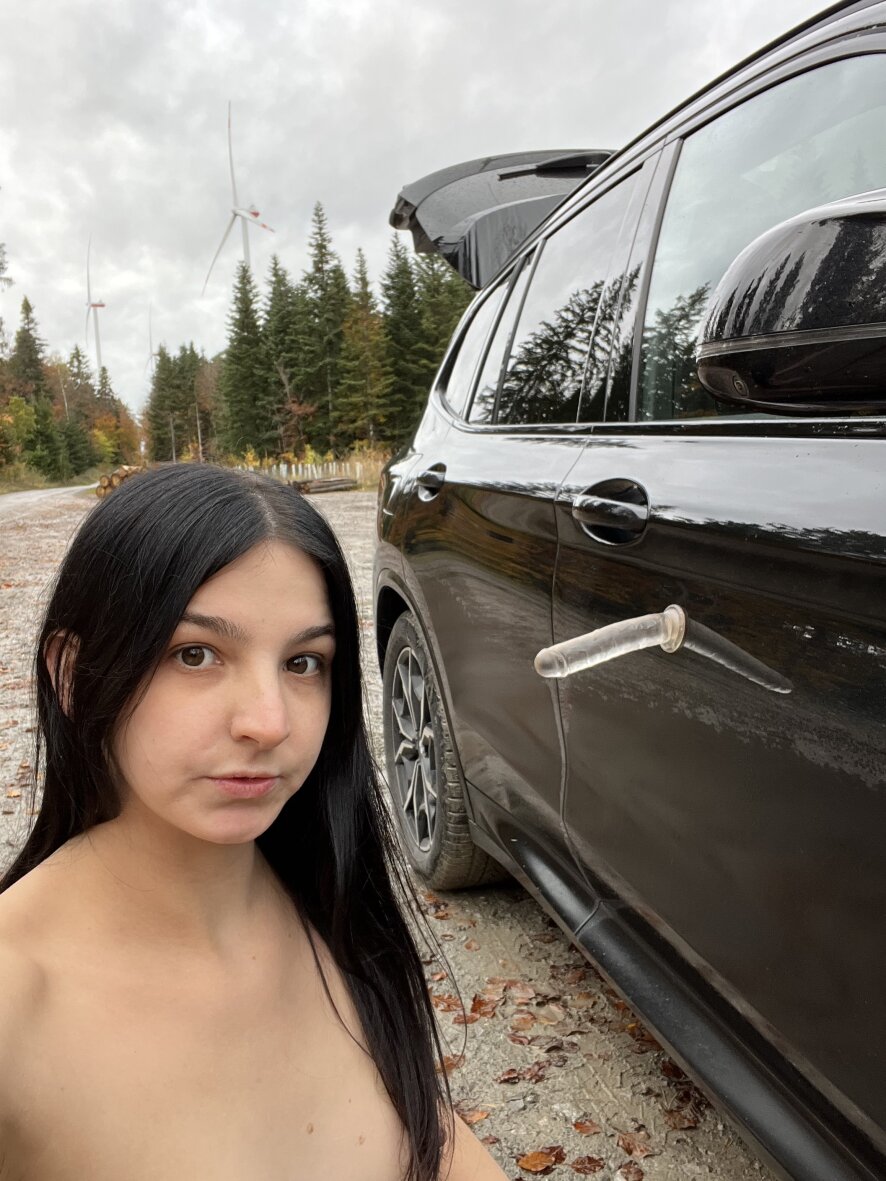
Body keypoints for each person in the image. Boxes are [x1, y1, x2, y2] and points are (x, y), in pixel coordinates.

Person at [0, 464, 508, 1181]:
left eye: (303, 662)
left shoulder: (330, 896)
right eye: (196, 654)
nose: (270, 723)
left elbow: (427, 1133)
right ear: (72, 675)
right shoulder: (16, 1001)